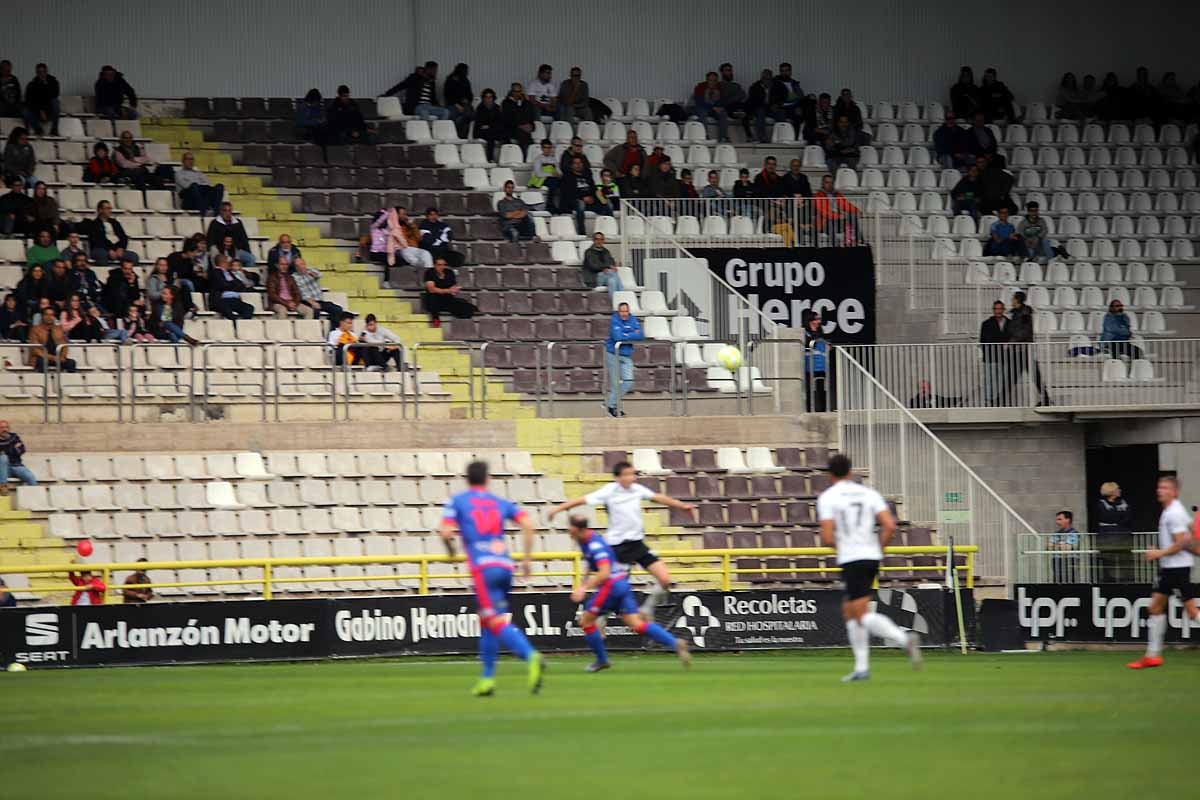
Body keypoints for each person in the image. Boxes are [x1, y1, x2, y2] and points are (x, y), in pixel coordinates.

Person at [439, 460, 545, 697]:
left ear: (467, 479)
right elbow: (529, 525)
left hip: (483, 568)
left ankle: (531, 656)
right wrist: (527, 559)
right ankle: (487, 679)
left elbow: (445, 532)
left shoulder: (458, 501)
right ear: (488, 479)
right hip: (505, 565)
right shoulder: (501, 502)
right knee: (486, 621)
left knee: (494, 620)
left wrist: (451, 550)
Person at [817, 453, 922, 682]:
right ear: (850, 471)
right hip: (871, 556)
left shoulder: (828, 497)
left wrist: (842, 545)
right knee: (850, 611)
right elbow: (889, 525)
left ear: (830, 474)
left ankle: (903, 639)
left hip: (852, 558)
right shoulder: (869, 493)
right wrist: (879, 548)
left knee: (860, 614)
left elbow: (826, 537)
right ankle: (861, 667)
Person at [548, 460, 698, 619]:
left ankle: (647, 609)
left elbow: (658, 497)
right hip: (617, 547)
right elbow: (582, 500)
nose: (631, 478)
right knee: (614, 589)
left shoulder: (637, 489)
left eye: (632, 474)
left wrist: (681, 506)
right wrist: (558, 509)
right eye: (627, 474)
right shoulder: (609, 491)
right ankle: (598, 616)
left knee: (665, 579)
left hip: (637, 544)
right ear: (617, 478)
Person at [566, 515, 691, 672]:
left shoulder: (595, 545)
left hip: (610, 586)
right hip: (621, 584)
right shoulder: (584, 540)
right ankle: (675, 643)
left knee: (586, 621)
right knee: (636, 624)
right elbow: (590, 566)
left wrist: (583, 588)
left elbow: (604, 573)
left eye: (570, 528)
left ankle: (602, 660)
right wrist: (583, 582)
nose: (568, 531)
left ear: (579, 530)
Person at [1127, 476, 1199, 670]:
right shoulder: (1174, 511)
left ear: (1175, 491)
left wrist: (1158, 552)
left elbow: (1180, 543)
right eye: (1159, 487)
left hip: (1177, 568)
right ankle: (1152, 656)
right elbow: (1191, 534)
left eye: (1166, 488)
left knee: (1192, 613)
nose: (1160, 490)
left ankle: (1152, 655)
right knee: (1155, 608)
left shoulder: (1174, 513)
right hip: (1171, 567)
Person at [1008, 291, 1050, 406]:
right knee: (1015, 376)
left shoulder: (1025, 313)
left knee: (1023, 376)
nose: (1011, 300)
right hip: (1019, 349)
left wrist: (1013, 340)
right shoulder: (1016, 313)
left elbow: (1026, 331)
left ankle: (1046, 399)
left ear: (1017, 300)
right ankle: (1046, 398)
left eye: (1013, 298)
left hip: (1024, 349)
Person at [601, 301, 642, 417]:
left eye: (626, 311)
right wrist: (631, 333)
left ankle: (609, 404)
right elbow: (617, 337)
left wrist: (625, 334)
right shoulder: (614, 320)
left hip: (626, 355)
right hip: (612, 353)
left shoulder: (632, 319)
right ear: (618, 312)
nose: (624, 314)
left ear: (629, 311)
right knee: (615, 384)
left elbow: (640, 335)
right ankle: (615, 408)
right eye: (622, 311)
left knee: (628, 381)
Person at [1095, 481, 1134, 584]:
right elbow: (1106, 517)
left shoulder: (1124, 503)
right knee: (1108, 563)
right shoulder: (1101, 504)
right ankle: (1107, 583)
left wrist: (1114, 519)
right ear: (1111, 491)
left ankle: (1127, 582)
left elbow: (1128, 518)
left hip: (1124, 539)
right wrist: (1118, 518)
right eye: (1117, 489)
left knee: (1125, 563)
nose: (1119, 490)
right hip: (1107, 540)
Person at [422, 256, 476, 328]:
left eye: (443, 264)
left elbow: (453, 287)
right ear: (434, 265)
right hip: (433, 298)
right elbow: (431, 289)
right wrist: (448, 290)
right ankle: (436, 319)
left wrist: (453, 290)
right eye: (439, 265)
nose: (442, 267)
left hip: (446, 298)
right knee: (433, 297)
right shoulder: (429, 272)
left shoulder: (449, 272)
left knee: (465, 307)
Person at [85, 200, 140, 265]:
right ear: (100, 210)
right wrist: (109, 250)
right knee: (102, 255)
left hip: (116, 249)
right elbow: (97, 241)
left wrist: (121, 248)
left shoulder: (115, 223)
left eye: (110, 208)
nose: (109, 211)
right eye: (107, 208)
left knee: (133, 256)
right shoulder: (94, 224)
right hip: (101, 249)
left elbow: (123, 237)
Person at [292, 258, 343, 323]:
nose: (300, 267)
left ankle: (332, 330)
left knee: (338, 309)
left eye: (302, 264)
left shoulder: (312, 270)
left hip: (319, 301)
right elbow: (303, 294)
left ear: (305, 264)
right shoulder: (294, 277)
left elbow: (319, 275)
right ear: (295, 267)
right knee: (315, 311)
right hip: (307, 302)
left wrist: (312, 274)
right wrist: (313, 303)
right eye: (297, 266)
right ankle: (315, 330)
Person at [205, 203, 255, 269]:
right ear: (221, 211)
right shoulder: (215, 223)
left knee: (251, 258)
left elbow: (244, 239)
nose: (228, 213)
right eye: (225, 210)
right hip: (220, 250)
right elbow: (210, 240)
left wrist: (247, 251)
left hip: (235, 250)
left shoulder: (238, 222)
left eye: (229, 210)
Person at [814, 174, 860, 246]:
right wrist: (839, 216)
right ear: (822, 183)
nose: (829, 185)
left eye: (831, 183)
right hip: (824, 222)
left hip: (837, 221)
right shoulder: (818, 195)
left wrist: (857, 210)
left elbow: (845, 205)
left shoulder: (837, 194)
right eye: (827, 182)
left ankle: (852, 242)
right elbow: (825, 213)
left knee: (853, 216)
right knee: (829, 222)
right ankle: (836, 246)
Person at [979, 300, 1009, 406]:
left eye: (1000, 309)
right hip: (990, 357)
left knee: (1001, 380)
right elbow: (982, 340)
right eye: (996, 309)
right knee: (989, 379)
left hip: (1004, 358)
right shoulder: (986, 324)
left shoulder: (1009, 323)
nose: (998, 311)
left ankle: (998, 400)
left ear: (1003, 310)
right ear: (993, 310)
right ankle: (988, 400)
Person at [27, 306, 75, 373]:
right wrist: (52, 358)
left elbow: (64, 345)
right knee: (42, 361)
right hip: (42, 357)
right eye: (47, 315)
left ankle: (68, 383)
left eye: (52, 315)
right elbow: (35, 350)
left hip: (57, 358)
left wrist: (63, 357)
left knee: (71, 363)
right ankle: (42, 383)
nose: (49, 317)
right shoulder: (35, 329)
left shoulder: (59, 329)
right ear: (42, 316)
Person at [208, 255, 254, 320]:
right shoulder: (215, 272)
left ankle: (242, 322)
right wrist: (234, 284)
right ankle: (235, 323)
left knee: (249, 308)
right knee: (227, 310)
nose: (229, 264)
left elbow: (241, 285)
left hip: (234, 300)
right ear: (223, 263)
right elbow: (223, 285)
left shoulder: (229, 273)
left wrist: (231, 284)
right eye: (228, 262)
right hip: (221, 300)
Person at [692, 71, 730, 143]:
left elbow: (724, 100)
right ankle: (704, 136)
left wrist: (720, 107)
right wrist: (713, 107)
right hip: (702, 107)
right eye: (710, 80)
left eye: (715, 81)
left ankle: (723, 137)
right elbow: (699, 101)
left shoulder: (720, 88)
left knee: (723, 113)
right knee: (702, 113)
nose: (712, 83)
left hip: (714, 109)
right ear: (707, 80)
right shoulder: (700, 87)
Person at [0, 419, 36, 493]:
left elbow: (22, 450)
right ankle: (3, 487)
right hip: (3, 469)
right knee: (3, 458)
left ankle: (34, 500)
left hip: (17, 466)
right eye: (1, 427)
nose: (4, 429)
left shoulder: (15, 437)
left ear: (9, 428)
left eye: (6, 427)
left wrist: (5, 450)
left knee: (31, 477)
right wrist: (14, 448)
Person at [802, 310, 828, 412]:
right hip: (809, 365)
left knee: (822, 389)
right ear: (810, 320)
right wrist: (815, 337)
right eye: (816, 319)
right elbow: (808, 344)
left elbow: (825, 343)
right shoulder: (805, 332)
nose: (819, 321)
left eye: (819, 319)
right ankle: (808, 410)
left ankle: (823, 409)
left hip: (821, 365)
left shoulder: (821, 332)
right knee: (808, 390)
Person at [501, 83, 538, 152]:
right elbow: (507, 119)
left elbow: (530, 116)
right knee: (523, 136)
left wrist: (531, 126)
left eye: (519, 91)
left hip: (524, 129)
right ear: (511, 92)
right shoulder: (506, 103)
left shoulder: (527, 103)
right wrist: (520, 126)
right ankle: (524, 156)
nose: (517, 93)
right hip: (512, 128)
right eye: (515, 91)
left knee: (525, 135)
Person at [471, 88, 503, 162]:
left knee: (505, 134)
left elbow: (500, 122)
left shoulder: (497, 108)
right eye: (486, 97)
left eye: (490, 97)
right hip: (481, 132)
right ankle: (490, 158)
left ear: (493, 98)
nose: (488, 99)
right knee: (491, 136)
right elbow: (480, 124)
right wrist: (491, 125)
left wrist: (489, 126)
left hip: (493, 130)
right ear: (483, 98)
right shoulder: (480, 108)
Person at [443, 64, 474, 140]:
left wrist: (468, 100)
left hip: (465, 105)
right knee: (454, 116)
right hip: (453, 105)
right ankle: (457, 136)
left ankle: (463, 136)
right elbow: (447, 95)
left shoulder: (466, 81)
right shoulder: (450, 80)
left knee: (470, 116)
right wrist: (456, 104)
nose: (466, 72)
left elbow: (470, 94)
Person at [746, 68, 775, 143]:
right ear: (761, 78)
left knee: (780, 113)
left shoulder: (776, 86)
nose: (766, 81)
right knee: (760, 112)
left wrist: (777, 104)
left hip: (772, 108)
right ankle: (762, 138)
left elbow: (782, 97)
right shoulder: (755, 87)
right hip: (760, 108)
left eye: (769, 79)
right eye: (764, 78)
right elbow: (753, 101)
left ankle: (782, 137)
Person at [1050, 510, 1079, 584]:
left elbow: (1066, 548)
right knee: (1057, 581)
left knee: (1069, 581)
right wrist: (1061, 545)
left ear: (1067, 520)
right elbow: (1049, 547)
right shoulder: (1056, 533)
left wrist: (1056, 545)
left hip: (1069, 560)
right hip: (1056, 560)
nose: (1057, 522)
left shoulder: (1074, 533)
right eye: (1057, 519)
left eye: (1059, 519)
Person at [771, 62, 803, 129]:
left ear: (790, 72)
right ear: (780, 72)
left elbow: (800, 96)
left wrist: (799, 106)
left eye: (786, 71)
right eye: (782, 71)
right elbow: (774, 97)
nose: (784, 73)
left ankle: (797, 137)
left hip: (793, 106)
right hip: (781, 106)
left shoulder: (794, 83)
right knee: (781, 113)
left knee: (809, 102)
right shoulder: (775, 83)